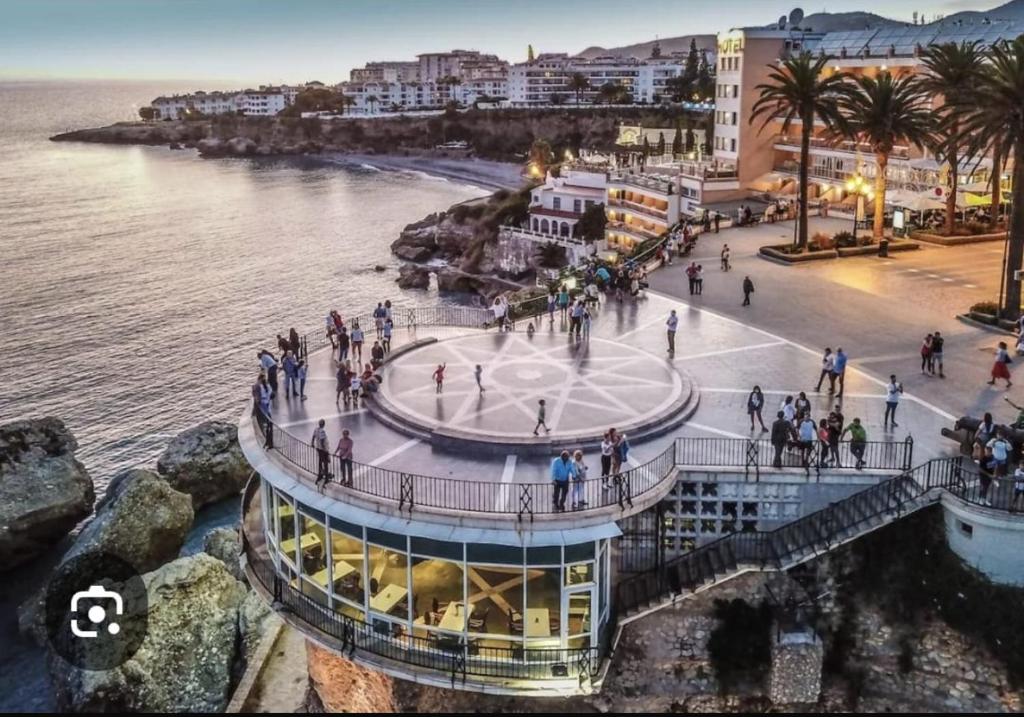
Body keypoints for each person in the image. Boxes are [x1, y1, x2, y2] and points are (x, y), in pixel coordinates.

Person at [311, 419, 331, 490]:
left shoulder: (316, 429)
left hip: (318, 448)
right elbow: (322, 441)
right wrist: (325, 450)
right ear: (324, 424)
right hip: (322, 449)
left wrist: (312, 443)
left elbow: (313, 437)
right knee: (325, 463)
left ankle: (320, 474)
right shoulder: (322, 431)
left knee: (320, 462)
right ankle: (326, 477)